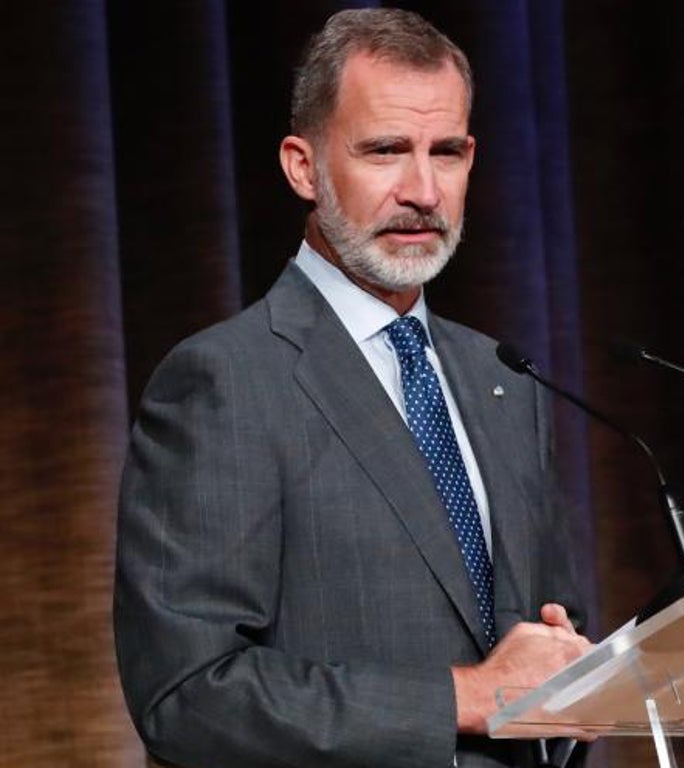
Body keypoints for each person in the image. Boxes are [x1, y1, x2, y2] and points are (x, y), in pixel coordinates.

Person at [113, 9, 590, 768]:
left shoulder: (503, 379)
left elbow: (539, 657)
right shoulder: (227, 381)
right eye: (385, 151)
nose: (424, 190)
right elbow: (188, 694)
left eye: (448, 151)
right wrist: (467, 696)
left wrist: (577, 675)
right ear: (303, 166)